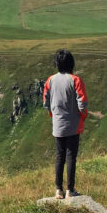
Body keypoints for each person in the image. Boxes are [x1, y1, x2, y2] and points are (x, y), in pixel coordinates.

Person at [42, 49, 88, 198]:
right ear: (71, 63)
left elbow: (46, 103)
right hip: (73, 124)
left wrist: (54, 115)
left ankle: (58, 189)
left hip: (57, 123)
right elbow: (82, 102)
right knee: (71, 157)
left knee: (59, 156)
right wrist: (82, 116)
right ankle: (70, 189)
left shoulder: (50, 80)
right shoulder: (75, 80)